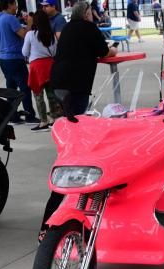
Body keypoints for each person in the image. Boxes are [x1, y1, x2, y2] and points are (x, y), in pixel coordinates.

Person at [41, 1, 117, 242]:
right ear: (86, 13)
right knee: (78, 121)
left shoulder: (67, 27)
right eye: (90, 13)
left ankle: (68, 149)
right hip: (77, 82)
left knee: (68, 119)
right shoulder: (88, 28)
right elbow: (105, 52)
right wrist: (113, 49)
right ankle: (74, 155)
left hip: (59, 80)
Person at [0, 0, 39, 124]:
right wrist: (29, 24)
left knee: (11, 87)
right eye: (15, 5)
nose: (17, 8)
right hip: (14, 57)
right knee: (24, 87)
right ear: (9, 5)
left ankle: (12, 116)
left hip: (3, 58)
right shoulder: (10, 18)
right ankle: (29, 116)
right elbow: (24, 35)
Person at [22, 10, 58, 132]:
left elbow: (24, 52)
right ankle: (54, 119)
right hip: (50, 65)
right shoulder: (52, 35)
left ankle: (43, 121)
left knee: (38, 95)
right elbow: (55, 52)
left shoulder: (30, 35)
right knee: (51, 94)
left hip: (36, 67)